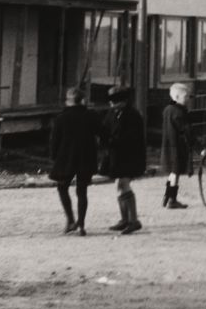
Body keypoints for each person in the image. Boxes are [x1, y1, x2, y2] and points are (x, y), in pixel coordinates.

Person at [49, 86, 98, 235]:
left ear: (68, 101)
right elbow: (101, 132)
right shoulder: (91, 116)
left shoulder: (60, 118)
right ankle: (81, 224)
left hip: (66, 158)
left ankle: (70, 220)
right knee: (82, 191)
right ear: (82, 100)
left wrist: (53, 156)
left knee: (62, 188)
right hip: (86, 157)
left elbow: (54, 140)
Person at [99, 85, 147, 234]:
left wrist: (112, 140)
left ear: (123, 101)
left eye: (115, 101)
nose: (111, 104)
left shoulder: (132, 115)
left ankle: (133, 220)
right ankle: (125, 219)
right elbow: (105, 129)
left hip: (129, 156)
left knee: (123, 184)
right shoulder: (112, 113)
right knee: (119, 186)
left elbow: (131, 138)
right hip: (117, 156)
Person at [160, 82, 195, 210]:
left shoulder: (167, 110)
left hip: (168, 145)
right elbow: (186, 130)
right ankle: (172, 200)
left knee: (172, 172)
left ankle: (167, 196)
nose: (187, 99)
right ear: (176, 97)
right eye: (185, 96)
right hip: (177, 146)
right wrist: (196, 144)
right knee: (176, 172)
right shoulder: (179, 112)